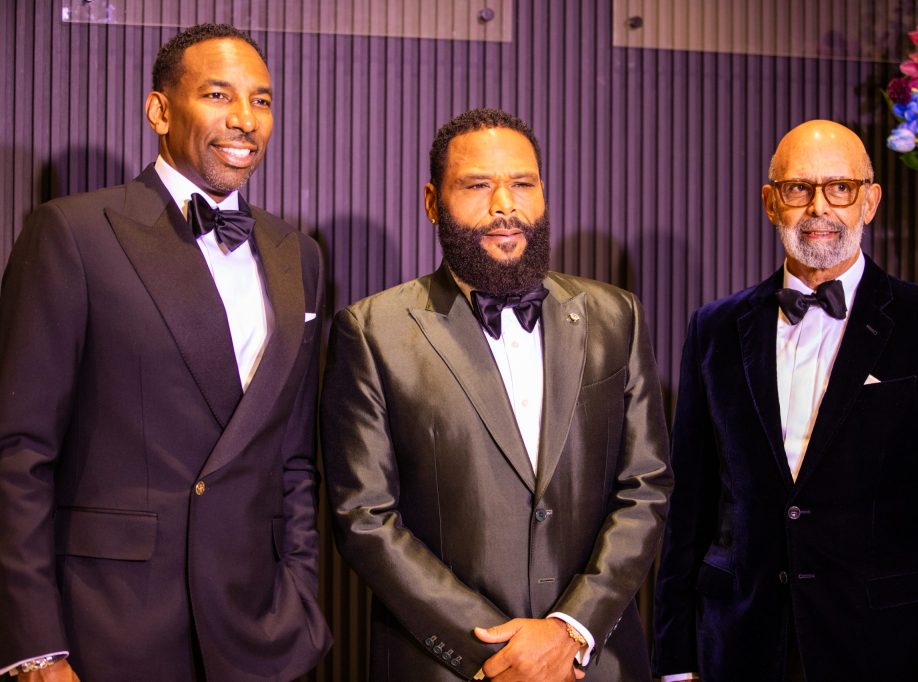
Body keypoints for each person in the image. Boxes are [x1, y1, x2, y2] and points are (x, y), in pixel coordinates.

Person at [0, 23, 331, 681]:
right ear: (159, 110)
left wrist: (300, 593)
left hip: (258, 631)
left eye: (261, 101)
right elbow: (19, 450)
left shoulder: (300, 254)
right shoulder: (74, 233)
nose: (244, 120)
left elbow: (292, 455)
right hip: (109, 626)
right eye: (218, 94)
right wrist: (35, 645)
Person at [320, 107, 672, 681]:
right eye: (477, 186)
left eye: (523, 184)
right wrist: (499, 652)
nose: (504, 204)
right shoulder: (371, 331)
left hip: (593, 661)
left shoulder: (617, 316)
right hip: (449, 666)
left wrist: (569, 629)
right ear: (434, 202)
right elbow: (365, 518)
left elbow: (647, 485)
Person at [652, 119, 918, 681]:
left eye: (840, 188)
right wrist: (675, 662)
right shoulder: (713, 329)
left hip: (882, 652)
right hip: (738, 648)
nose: (819, 207)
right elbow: (690, 507)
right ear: (771, 203)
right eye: (798, 189)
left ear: (870, 201)